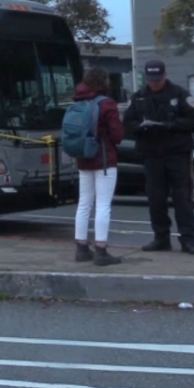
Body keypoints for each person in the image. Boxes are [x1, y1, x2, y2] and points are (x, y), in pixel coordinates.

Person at [122, 59, 194, 255]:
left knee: (182, 197)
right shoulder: (139, 97)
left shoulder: (179, 94)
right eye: (151, 80)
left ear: (164, 75)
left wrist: (171, 125)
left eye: (157, 79)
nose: (154, 83)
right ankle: (161, 238)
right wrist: (141, 128)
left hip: (177, 153)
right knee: (156, 198)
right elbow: (128, 123)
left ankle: (188, 240)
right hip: (152, 154)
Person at [70, 66, 124, 266]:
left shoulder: (78, 100)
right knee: (103, 205)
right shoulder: (107, 104)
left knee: (84, 203)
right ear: (104, 82)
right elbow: (117, 136)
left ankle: (81, 248)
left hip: (83, 158)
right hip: (104, 160)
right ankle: (101, 249)